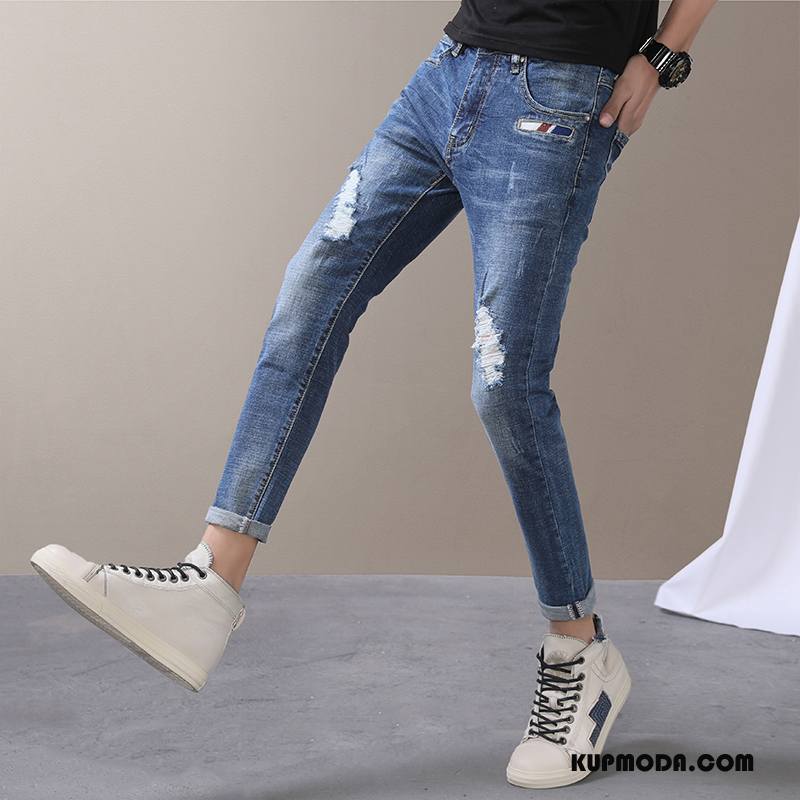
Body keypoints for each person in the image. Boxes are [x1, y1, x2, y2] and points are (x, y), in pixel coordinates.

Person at [31, 0, 716, 789]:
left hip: (560, 100)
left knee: (505, 385)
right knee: (310, 296)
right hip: (454, 70)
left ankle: (580, 649)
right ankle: (211, 583)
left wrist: (662, 54)